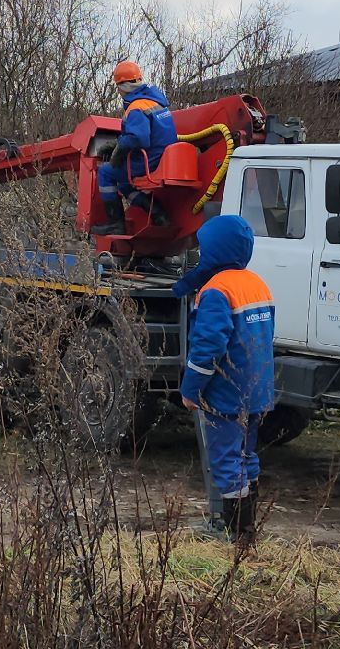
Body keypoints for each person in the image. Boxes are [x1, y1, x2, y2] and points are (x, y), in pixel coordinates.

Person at [177, 214, 276, 543]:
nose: (201, 255)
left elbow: (208, 347)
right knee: (247, 456)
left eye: (205, 249)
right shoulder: (256, 283)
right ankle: (248, 529)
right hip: (257, 390)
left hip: (226, 393)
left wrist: (191, 389)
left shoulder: (215, 291)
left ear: (217, 251)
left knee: (225, 460)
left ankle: (233, 532)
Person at [92, 60, 178, 235]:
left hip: (149, 160)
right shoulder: (154, 102)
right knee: (124, 182)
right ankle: (158, 214)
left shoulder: (136, 107)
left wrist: (118, 150)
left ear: (123, 86)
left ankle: (116, 223)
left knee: (106, 172)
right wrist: (119, 143)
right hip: (164, 158)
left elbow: (138, 137)